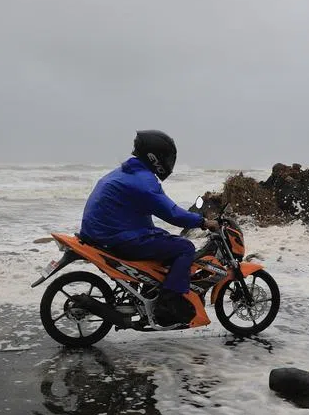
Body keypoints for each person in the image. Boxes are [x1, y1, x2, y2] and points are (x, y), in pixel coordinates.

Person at [80, 131, 219, 326]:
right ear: (154, 157)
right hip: (118, 237)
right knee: (185, 248)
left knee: (164, 239)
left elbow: (139, 215)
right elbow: (173, 214)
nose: (169, 163)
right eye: (167, 158)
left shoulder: (127, 173)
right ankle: (169, 302)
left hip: (105, 233)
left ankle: (153, 289)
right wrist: (202, 222)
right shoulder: (143, 182)